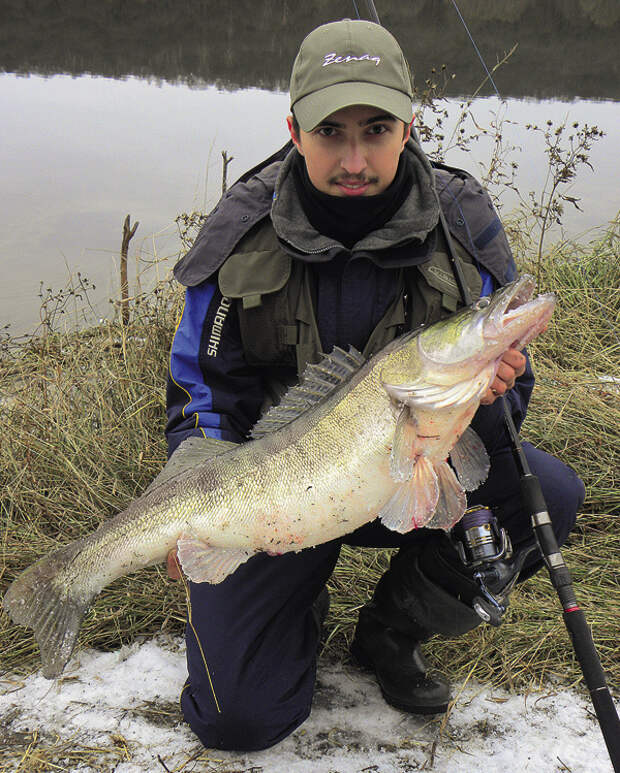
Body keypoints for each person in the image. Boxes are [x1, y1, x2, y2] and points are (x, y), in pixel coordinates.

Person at [165, 19, 585, 751]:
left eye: (377, 129)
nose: (354, 158)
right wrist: (196, 506)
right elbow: (201, 393)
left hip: (409, 470)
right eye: (332, 131)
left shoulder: (462, 222)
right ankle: (295, 599)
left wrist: (497, 391)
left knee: (544, 489)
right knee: (238, 720)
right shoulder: (239, 233)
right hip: (282, 496)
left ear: (408, 128)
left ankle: (390, 632)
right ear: (294, 131)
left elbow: (511, 405)